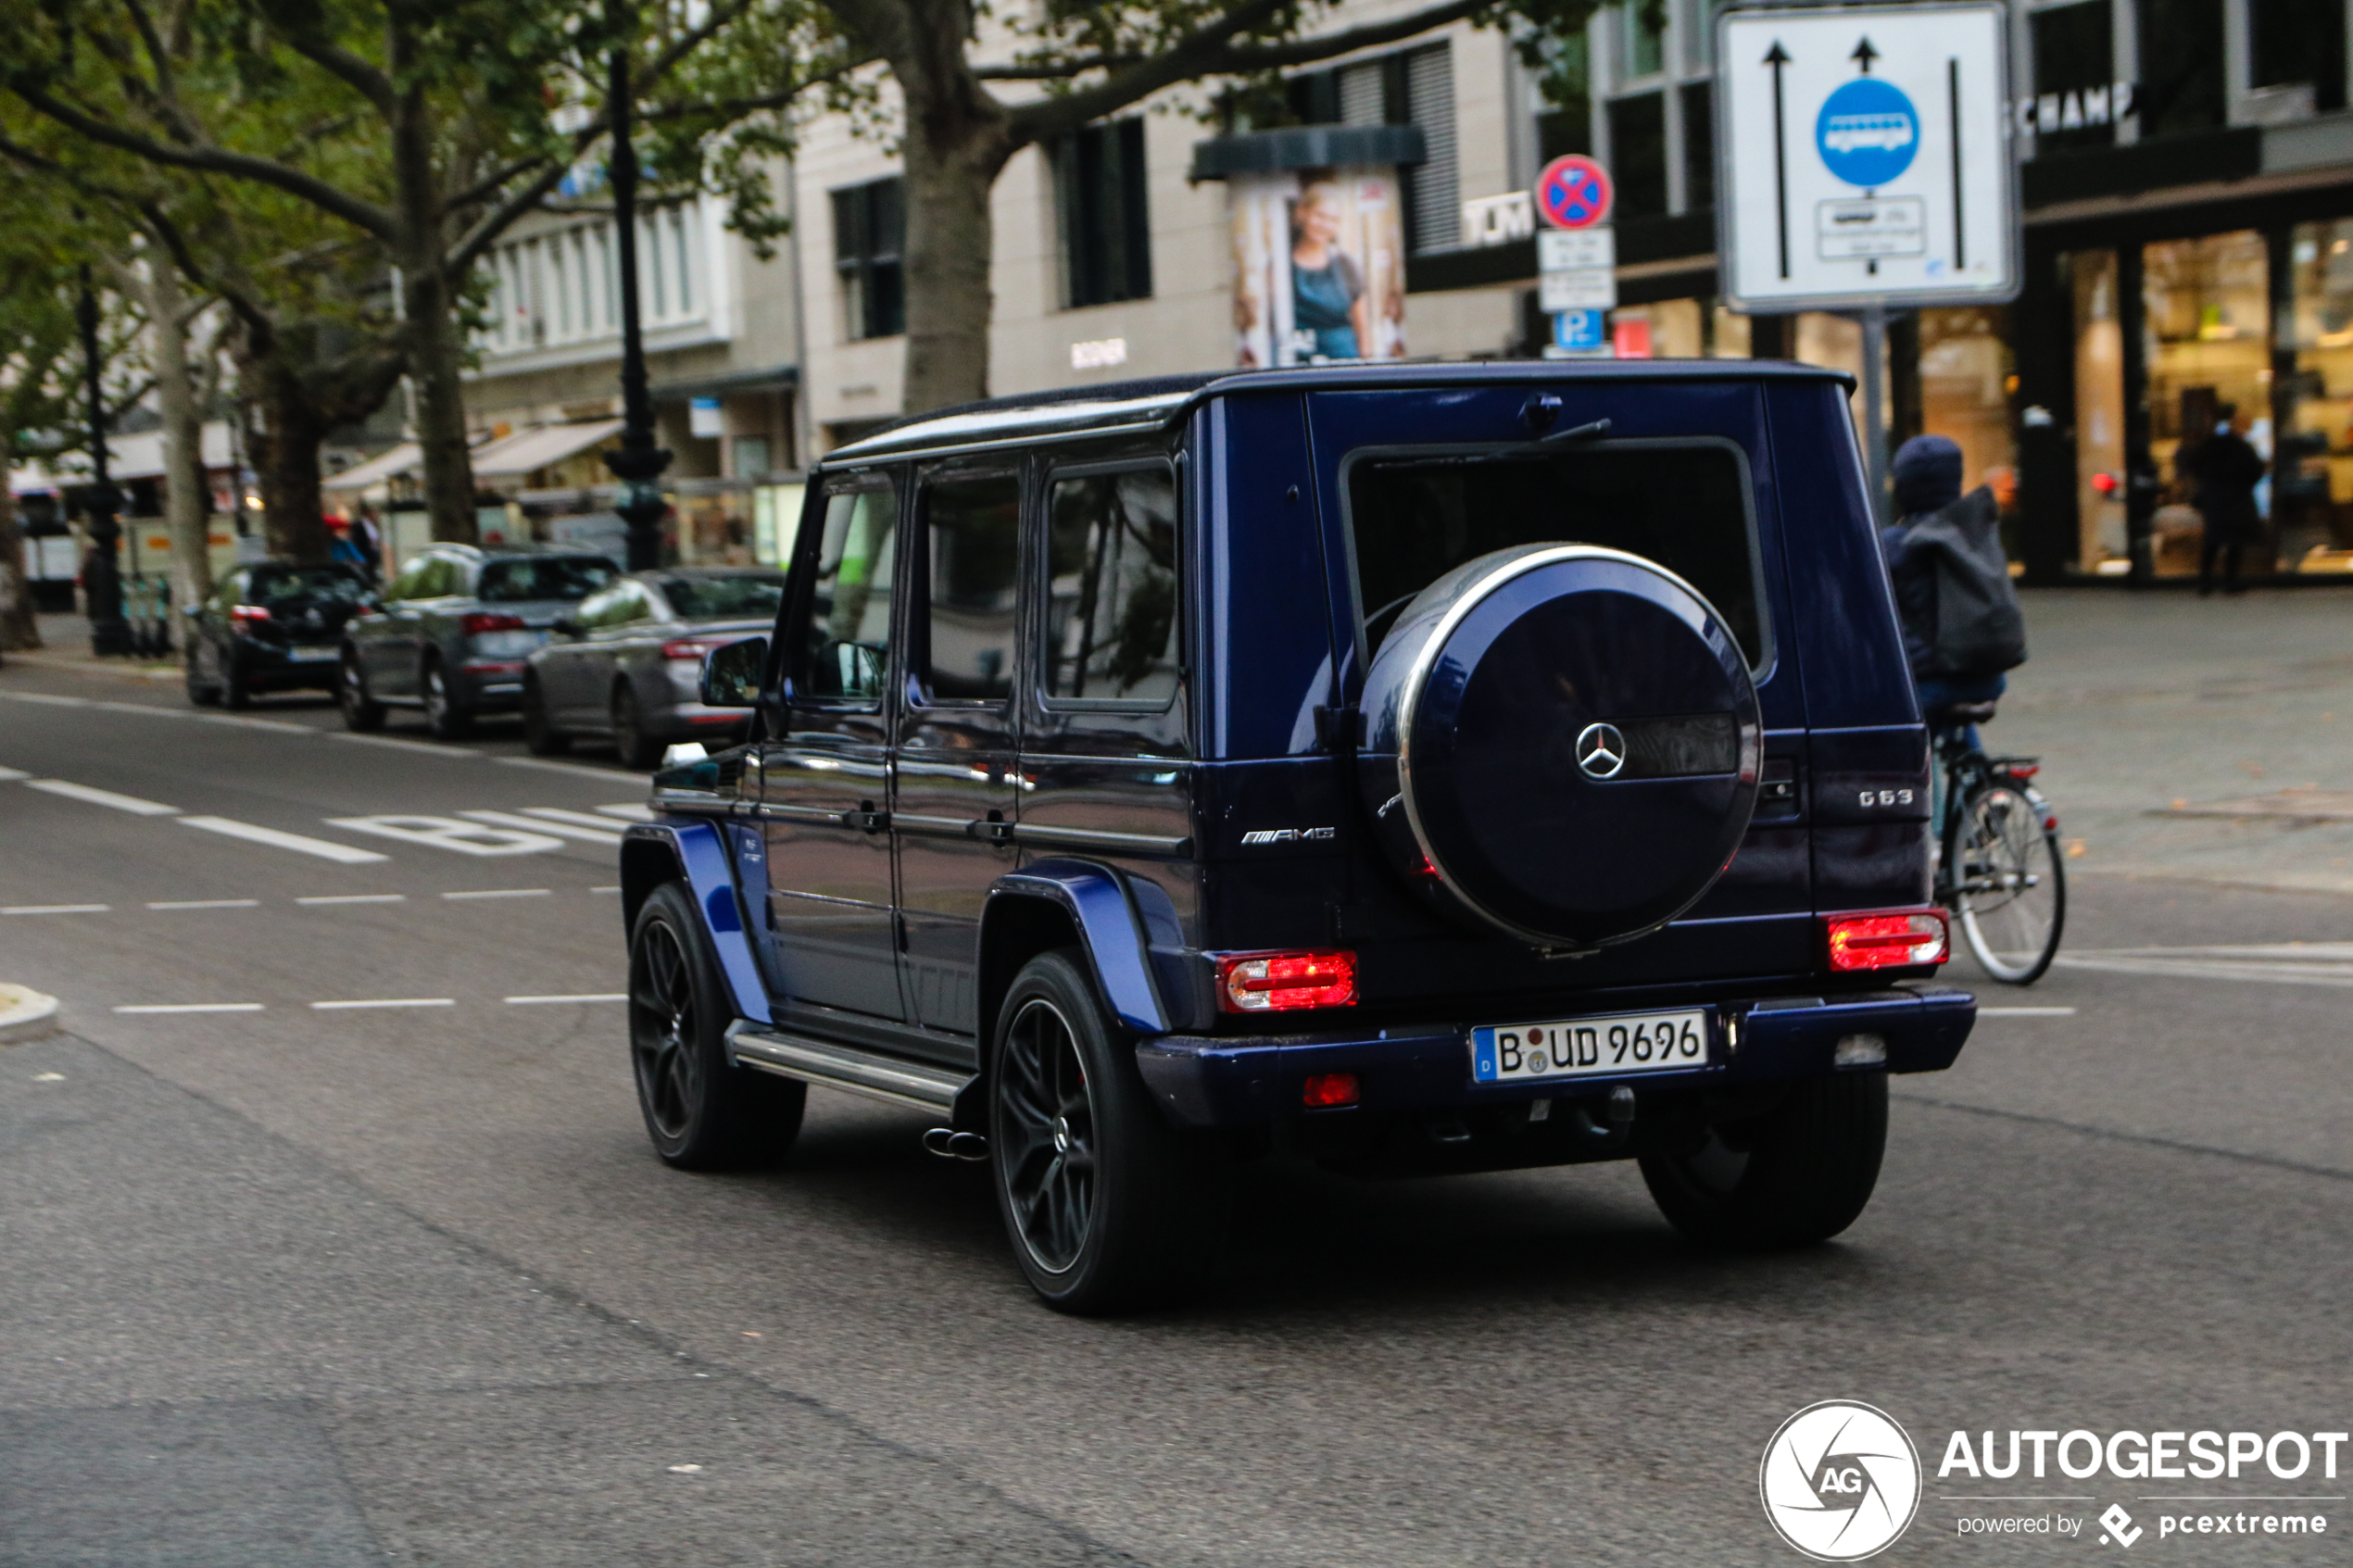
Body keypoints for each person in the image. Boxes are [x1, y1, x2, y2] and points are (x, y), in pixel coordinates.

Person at [1881, 435, 2018, 759]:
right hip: (1988, 678)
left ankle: (1931, 804)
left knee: (1907, 735)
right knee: (1953, 692)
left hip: (1929, 686)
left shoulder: (1892, 545)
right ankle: (1977, 779)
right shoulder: (1975, 533)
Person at [2182, 404, 2266, 596]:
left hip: (2215, 499)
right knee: (2235, 542)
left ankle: (2205, 581)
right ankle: (2231, 581)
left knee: (2213, 540)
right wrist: (2244, 484)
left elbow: (2194, 463)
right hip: (2237, 498)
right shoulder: (2243, 448)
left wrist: (2208, 482)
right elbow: (2256, 470)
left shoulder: (2211, 445)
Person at [1290, 182, 1368, 362]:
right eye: (1320, 215)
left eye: (1333, 219)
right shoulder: (1280, 268)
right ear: (1302, 212)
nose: (1325, 225)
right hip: (1298, 363)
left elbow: (1362, 325)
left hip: (1342, 364)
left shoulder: (1346, 265)